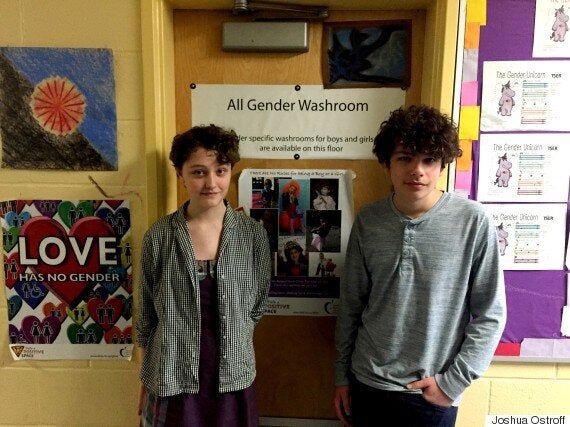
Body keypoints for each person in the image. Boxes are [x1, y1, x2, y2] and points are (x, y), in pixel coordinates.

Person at [333, 105, 506, 427]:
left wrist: (453, 383)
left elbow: (490, 314)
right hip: (366, 384)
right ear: (387, 163)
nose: (417, 170)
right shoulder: (369, 220)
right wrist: (342, 377)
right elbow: (351, 305)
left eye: (429, 160)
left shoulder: (473, 221)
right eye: (405, 158)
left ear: (442, 165)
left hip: (430, 391)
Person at [136, 124, 271, 427]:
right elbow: (146, 316)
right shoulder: (159, 237)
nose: (211, 182)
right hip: (172, 377)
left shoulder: (253, 236)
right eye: (198, 172)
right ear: (180, 174)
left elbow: (258, 305)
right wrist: (146, 379)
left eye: (220, 170)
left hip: (232, 378)